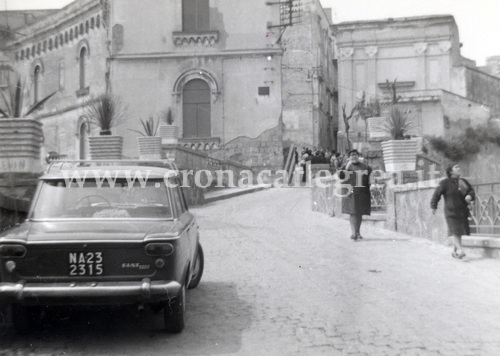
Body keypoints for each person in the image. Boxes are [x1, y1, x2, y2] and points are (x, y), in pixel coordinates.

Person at [430, 164, 475, 259]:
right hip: (451, 212)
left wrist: (470, 196)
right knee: (456, 232)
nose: (459, 168)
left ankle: (454, 251)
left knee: (459, 232)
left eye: (459, 166)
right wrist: (433, 206)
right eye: (456, 167)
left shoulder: (463, 182)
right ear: (450, 171)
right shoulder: (444, 183)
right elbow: (436, 194)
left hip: (462, 211)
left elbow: (471, 191)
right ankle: (461, 250)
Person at [338, 149, 372, 241]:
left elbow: (370, 176)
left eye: (355, 154)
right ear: (349, 157)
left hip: (362, 192)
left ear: (358, 156)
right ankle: (353, 233)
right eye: (352, 155)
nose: (354, 156)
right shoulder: (346, 166)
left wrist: (372, 184)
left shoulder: (365, 166)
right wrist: (346, 168)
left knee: (359, 212)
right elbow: (340, 176)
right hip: (350, 192)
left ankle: (357, 232)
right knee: (353, 212)